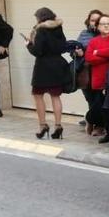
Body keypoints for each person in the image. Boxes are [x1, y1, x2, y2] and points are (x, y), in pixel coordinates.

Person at [26, 8, 69, 140]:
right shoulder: (58, 28)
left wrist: (28, 44)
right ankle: (58, 126)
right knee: (55, 96)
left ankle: (43, 125)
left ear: (40, 18)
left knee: (38, 95)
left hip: (43, 67)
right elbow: (63, 47)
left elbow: (37, 51)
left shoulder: (40, 30)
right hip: (58, 65)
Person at [85, 14, 109, 143]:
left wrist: (98, 52)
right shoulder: (93, 41)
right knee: (103, 110)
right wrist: (108, 54)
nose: (106, 26)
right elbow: (89, 58)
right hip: (99, 80)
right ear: (97, 26)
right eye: (103, 24)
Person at [76, 10, 103, 132]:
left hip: (101, 72)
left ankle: (95, 122)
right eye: (93, 20)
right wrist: (78, 53)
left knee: (99, 99)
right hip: (86, 73)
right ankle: (93, 121)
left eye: (98, 20)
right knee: (90, 99)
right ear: (89, 21)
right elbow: (74, 51)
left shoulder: (108, 32)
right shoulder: (83, 34)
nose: (95, 23)